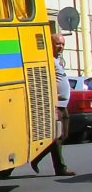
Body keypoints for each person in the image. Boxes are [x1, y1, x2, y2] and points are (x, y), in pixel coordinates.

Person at [31, 33, 75, 176]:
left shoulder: (57, 60)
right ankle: (60, 168)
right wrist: (53, 105)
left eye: (62, 44)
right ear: (50, 44)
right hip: (55, 105)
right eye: (58, 44)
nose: (61, 47)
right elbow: (47, 83)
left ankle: (36, 157)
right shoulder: (47, 60)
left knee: (63, 135)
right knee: (57, 136)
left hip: (63, 104)